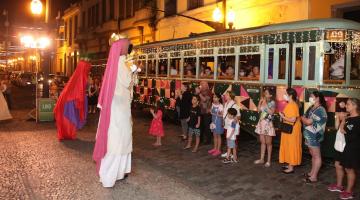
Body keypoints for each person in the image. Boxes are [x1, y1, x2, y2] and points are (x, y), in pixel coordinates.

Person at [93, 36, 134, 188]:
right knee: (120, 138)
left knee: (115, 137)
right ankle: (114, 173)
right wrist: (134, 71)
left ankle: (115, 172)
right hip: (120, 106)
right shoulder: (123, 62)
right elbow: (127, 82)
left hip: (115, 104)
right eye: (128, 45)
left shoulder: (114, 62)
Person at [328, 98, 360, 200]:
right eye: (346, 104)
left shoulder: (357, 120)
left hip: (352, 147)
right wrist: (340, 118)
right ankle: (339, 186)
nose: (346, 106)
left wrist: (344, 121)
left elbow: (343, 131)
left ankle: (349, 191)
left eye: (348, 104)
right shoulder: (348, 117)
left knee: (349, 169)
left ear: (355, 106)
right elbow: (339, 128)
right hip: (342, 145)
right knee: (338, 164)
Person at [54, 60, 91, 140]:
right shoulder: (81, 77)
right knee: (70, 117)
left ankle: (68, 133)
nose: (88, 71)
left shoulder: (77, 76)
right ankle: (69, 134)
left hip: (68, 99)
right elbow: (80, 90)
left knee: (69, 117)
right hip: (70, 100)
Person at [301, 91, 327, 183]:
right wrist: (305, 119)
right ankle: (311, 173)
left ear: (317, 98)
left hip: (315, 136)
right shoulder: (312, 107)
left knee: (317, 156)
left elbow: (307, 121)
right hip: (308, 135)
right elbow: (304, 118)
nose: (310, 98)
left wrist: (304, 119)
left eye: (312, 96)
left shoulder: (320, 110)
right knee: (313, 155)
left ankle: (314, 177)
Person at [279, 88, 302, 174]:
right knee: (288, 146)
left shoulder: (292, 105)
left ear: (290, 95)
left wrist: (283, 116)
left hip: (292, 130)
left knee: (291, 146)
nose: (284, 95)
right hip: (289, 129)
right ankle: (290, 164)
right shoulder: (290, 104)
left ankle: (291, 167)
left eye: (285, 93)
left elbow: (293, 119)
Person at [254, 88, 276, 167]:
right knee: (262, 142)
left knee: (269, 143)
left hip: (268, 123)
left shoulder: (272, 102)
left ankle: (268, 161)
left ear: (270, 95)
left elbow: (271, 112)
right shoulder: (263, 101)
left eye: (266, 93)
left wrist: (265, 104)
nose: (264, 94)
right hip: (261, 123)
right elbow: (258, 110)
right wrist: (260, 102)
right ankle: (261, 159)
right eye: (265, 93)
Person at [222, 91, 241, 158]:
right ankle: (228, 152)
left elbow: (238, 116)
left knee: (233, 140)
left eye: (226, 95)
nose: (225, 95)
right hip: (226, 125)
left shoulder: (234, 105)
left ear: (230, 96)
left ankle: (234, 154)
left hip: (231, 126)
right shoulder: (226, 103)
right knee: (228, 139)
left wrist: (233, 123)